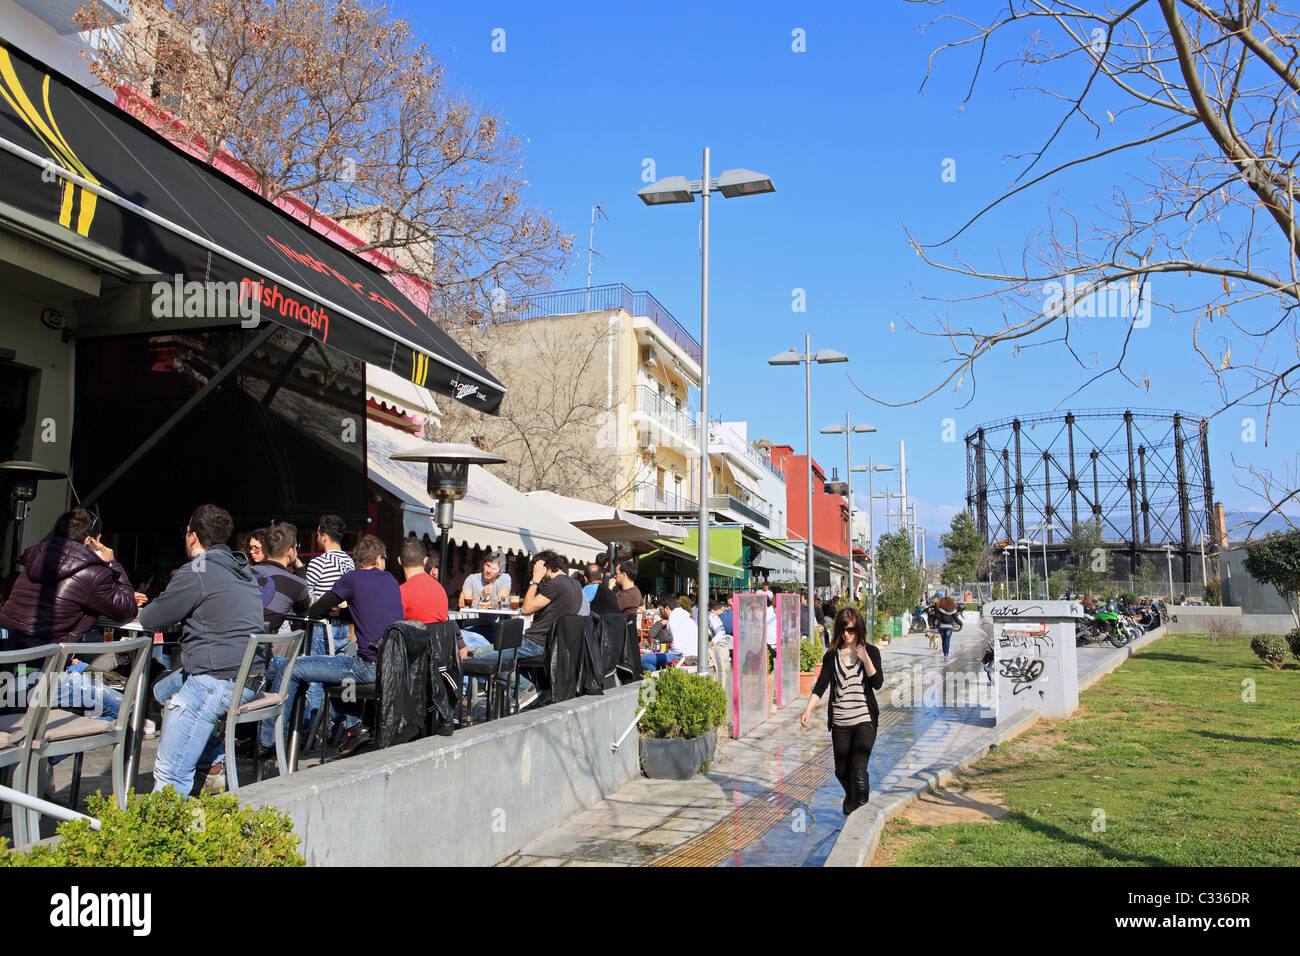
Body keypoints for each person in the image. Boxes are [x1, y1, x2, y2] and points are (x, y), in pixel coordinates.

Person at [145, 504, 265, 795]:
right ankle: (211, 765)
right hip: (251, 678)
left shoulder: (197, 569)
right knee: (160, 691)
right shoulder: (242, 570)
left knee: (170, 772)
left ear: (193, 537)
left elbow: (151, 618)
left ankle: (168, 822)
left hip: (217, 680)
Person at [0, 507, 143, 736]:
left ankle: (36, 761)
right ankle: (41, 760)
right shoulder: (94, 572)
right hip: (41, 676)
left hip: (9, 669)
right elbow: (127, 611)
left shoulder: (34, 563)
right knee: (126, 709)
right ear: (89, 541)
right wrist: (112, 564)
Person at [260, 534, 402, 756]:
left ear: (358, 560)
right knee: (340, 675)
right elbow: (367, 614)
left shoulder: (353, 578)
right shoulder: (391, 580)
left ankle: (267, 742)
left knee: (293, 668)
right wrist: (343, 612)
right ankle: (354, 726)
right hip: (390, 666)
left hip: (367, 667)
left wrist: (329, 608)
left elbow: (314, 610)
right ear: (378, 559)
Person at [472, 549, 581, 708]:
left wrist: (535, 581)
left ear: (543, 566)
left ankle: (525, 689)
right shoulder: (575, 584)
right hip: (552, 644)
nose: (533, 572)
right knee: (494, 654)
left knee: (479, 656)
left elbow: (526, 609)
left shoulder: (556, 583)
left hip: (535, 643)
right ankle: (523, 690)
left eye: (535, 568)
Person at [801, 607, 883, 815]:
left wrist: (865, 659)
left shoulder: (871, 652)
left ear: (859, 629)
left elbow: (877, 683)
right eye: (843, 630)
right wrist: (808, 709)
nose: (847, 634)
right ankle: (854, 796)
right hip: (840, 720)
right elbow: (821, 685)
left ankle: (860, 810)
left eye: (852, 630)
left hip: (865, 717)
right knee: (841, 770)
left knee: (858, 767)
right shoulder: (831, 656)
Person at [252, 522, 311, 632]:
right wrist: (299, 567)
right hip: (260, 646)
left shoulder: (243, 572)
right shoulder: (296, 584)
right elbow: (304, 611)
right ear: (290, 551)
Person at [458, 550, 513, 654]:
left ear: (500, 572)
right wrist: (481, 595)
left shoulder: (505, 578)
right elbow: (461, 603)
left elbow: (501, 598)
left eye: (494, 568)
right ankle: (487, 650)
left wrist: (492, 600)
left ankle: (487, 650)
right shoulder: (472, 579)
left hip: (492, 627)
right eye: (487, 566)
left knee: (507, 645)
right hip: (472, 627)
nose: (489, 571)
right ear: (483, 565)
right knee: (495, 649)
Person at [641, 592, 696, 671]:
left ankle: (658, 677)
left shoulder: (673, 619)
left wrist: (667, 652)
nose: (660, 612)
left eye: (660, 609)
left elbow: (677, 648)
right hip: (691, 654)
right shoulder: (683, 616)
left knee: (644, 659)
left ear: (666, 608)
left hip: (684, 656)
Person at [399, 537, 448, 625]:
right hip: (438, 638)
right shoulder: (440, 590)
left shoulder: (401, 592)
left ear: (399, 561)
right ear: (425, 560)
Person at [931, 592, 960, 662]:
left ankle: (945, 655)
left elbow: (936, 615)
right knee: (947, 641)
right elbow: (956, 618)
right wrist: (961, 624)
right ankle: (946, 655)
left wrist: (935, 624)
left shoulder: (940, 610)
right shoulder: (952, 610)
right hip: (949, 627)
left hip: (941, 627)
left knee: (944, 641)